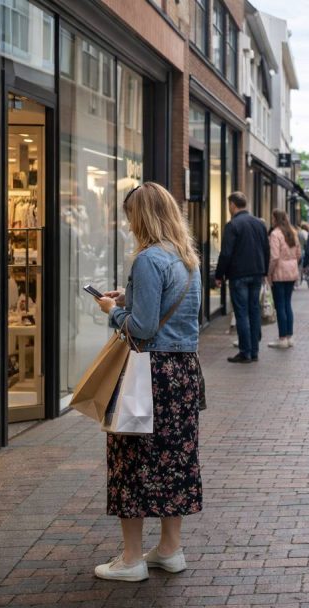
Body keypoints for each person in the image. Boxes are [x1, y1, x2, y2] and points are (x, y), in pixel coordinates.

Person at [93, 182, 203, 581]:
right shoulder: (186, 258)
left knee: (131, 459)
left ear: (139, 217)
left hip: (149, 373)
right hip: (184, 372)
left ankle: (132, 558)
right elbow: (178, 316)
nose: (127, 225)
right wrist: (129, 296)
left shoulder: (147, 259)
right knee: (176, 458)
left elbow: (140, 329)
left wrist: (111, 310)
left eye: (128, 217)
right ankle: (170, 550)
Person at [215, 191, 269, 363]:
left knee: (242, 313)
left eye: (229, 205)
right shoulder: (259, 224)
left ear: (232, 205)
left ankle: (245, 352)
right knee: (254, 311)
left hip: (239, 275)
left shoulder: (233, 225)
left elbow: (226, 253)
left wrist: (219, 275)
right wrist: (265, 271)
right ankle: (254, 351)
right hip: (257, 273)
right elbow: (267, 250)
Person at [267, 209, 301, 348]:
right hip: (292, 271)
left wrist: (269, 272)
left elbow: (274, 256)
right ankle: (290, 336)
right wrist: (292, 263)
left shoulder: (275, 234)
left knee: (280, 305)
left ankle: (282, 338)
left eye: (272, 218)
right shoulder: (293, 232)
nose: (271, 220)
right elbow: (298, 254)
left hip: (279, 272)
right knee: (287, 304)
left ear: (276, 219)